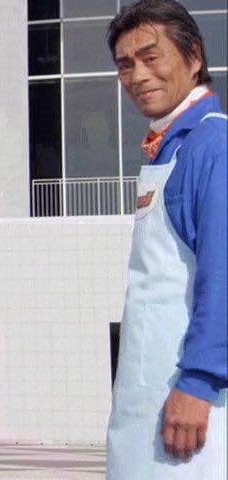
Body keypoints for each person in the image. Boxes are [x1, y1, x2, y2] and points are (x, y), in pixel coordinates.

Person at [105, 1, 227, 478]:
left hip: (192, 407)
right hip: (150, 395)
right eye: (125, 64)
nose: (138, 75)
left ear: (194, 57)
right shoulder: (171, 145)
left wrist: (199, 381)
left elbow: (223, 275)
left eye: (151, 57)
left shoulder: (212, 145)